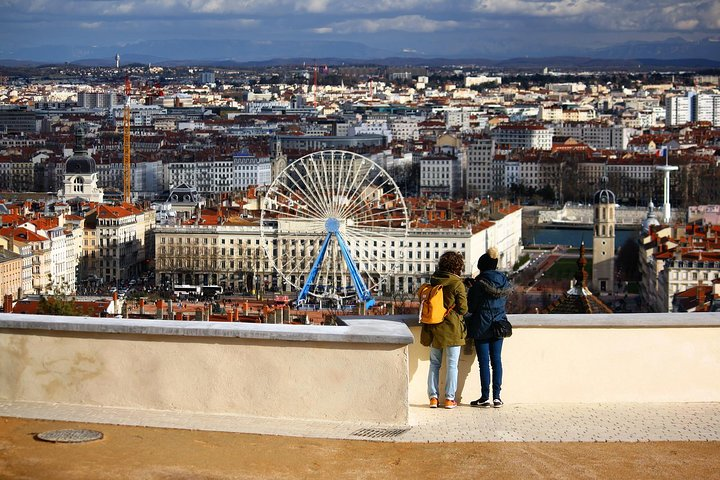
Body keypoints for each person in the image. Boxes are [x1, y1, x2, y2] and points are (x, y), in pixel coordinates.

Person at [420, 251, 468, 409]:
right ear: (457, 266)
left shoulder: (434, 280)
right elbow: (463, 309)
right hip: (452, 328)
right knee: (452, 365)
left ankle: (433, 398)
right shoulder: (457, 283)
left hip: (434, 326)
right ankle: (449, 398)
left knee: (434, 363)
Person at [466, 247, 512, 408]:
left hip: (481, 325)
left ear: (482, 267)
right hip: (499, 324)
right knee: (497, 361)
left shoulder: (479, 284)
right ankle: (497, 397)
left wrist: (470, 289)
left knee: (484, 362)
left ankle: (485, 397)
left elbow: (471, 307)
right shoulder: (504, 281)